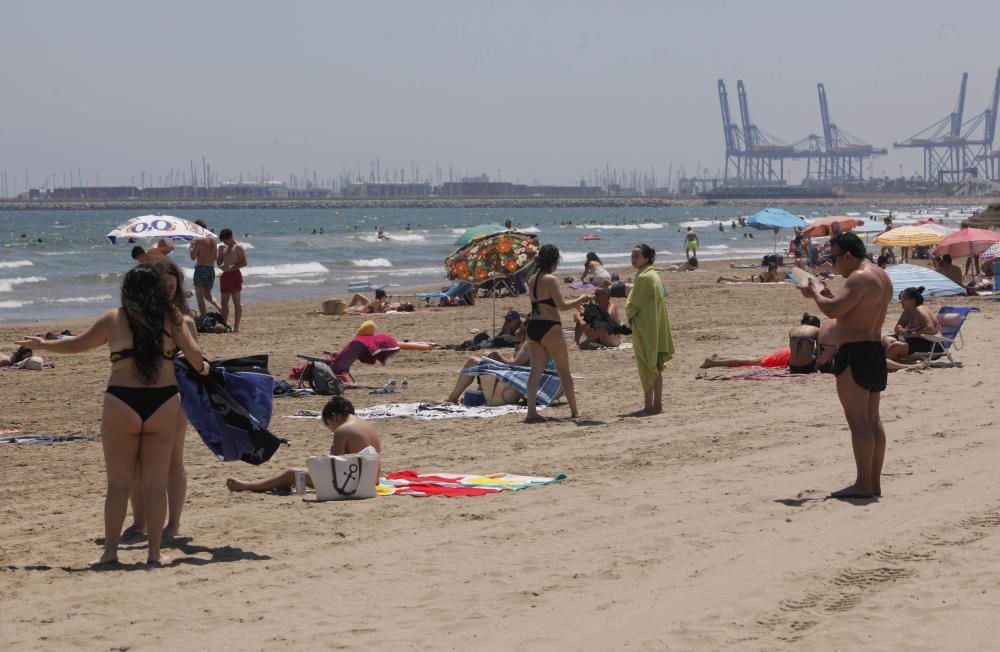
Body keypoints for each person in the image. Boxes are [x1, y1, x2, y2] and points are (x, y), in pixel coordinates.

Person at [16, 264, 208, 565]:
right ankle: (155, 553)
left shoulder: (114, 319)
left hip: (122, 401)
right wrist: (204, 369)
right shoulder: (173, 318)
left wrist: (42, 345)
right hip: (163, 401)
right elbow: (195, 356)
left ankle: (110, 552)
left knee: (118, 485)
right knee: (156, 484)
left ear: (126, 291)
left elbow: (75, 345)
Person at [799, 232, 892, 499]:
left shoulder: (859, 277)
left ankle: (863, 484)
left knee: (858, 420)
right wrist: (825, 294)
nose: (833, 264)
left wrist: (816, 292)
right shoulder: (880, 276)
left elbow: (832, 311)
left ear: (848, 255)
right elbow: (848, 307)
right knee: (872, 420)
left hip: (856, 353)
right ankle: (872, 483)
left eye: (834, 258)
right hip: (874, 350)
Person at [121, 261, 197, 541]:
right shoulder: (141, 318)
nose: (167, 290)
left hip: (175, 396)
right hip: (140, 395)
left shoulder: (183, 320)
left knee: (173, 461)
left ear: (177, 287)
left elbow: (196, 358)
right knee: (136, 462)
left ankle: (173, 523)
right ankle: (140, 520)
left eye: (171, 285)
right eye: (161, 285)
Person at [226, 397, 381, 493]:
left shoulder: (342, 430)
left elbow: (336, 467)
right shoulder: (368, 425)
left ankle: (248, 486)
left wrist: (332, 451)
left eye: (329, 425)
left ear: (333, 416)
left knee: (292, 473)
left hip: (354, 483)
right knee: (302, 473)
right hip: (372, 480)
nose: (332, 429)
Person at [523, 244, 591, 422]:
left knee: (535, 372)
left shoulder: (532, 279)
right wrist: (581, 299)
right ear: (554, 261)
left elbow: (546, 302)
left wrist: (574, 303)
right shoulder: (551, 279)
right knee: (564, 371)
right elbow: (560, 306)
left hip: (532, 326)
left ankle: (531, 412)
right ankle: (575, 411)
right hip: (550, 326)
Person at [625, 244, 675, 414]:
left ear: (646, 258)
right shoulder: (652, 275)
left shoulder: (644, 277)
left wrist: (628, 312)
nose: (633, 259)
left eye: (636, 256)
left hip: (646, 329)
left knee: (647, 366)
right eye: (632, 256)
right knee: (656, 367)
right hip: (655, 327)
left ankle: (648, 406)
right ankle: (657, 404)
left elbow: (633, 305)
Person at [701, 313, 821, 373]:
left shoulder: (795, 330)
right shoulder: (814, 331)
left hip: (787, 353)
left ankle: (720, 358)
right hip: (788, 357)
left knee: (755, 359)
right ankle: (713, 363)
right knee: (755, 361)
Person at [445, 339, 531, 403]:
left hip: (515, 382)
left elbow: (515, 365)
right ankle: (477, 393)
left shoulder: (530, 343)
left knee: (474, 361)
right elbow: (515, 362)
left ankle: (452, 398)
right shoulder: (531, 343)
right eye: (515, 342)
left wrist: (499, 357)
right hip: (515, 379)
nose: (516, 345)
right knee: (481, 360)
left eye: (518, 342)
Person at [882, 286, 940, 362]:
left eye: (903, 298)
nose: (900, 301)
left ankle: (892, 361)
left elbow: (930, 329)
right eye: (900, 298)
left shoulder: (920, 309)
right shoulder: (907, 310)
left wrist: (909, 334)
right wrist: (900, 329)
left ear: (913, 300)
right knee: (885, 339)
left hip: (932, 344)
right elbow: (898, 326)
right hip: (914, 341)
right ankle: (892, 358)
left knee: (894, 346)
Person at [216, 228, 247, 333]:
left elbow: (244, 263)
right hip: (225, 276)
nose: (224, 242)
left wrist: (231, 268)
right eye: (223, 241)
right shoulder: (223, 248)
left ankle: (236, 327)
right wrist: (219, 254)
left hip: (235, 276)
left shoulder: (237, 247)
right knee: (224, 303)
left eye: (225, 240)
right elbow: (219, 263)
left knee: (236, 302)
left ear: (231, 237)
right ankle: (224, 324)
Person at [189, 220, 222, 315]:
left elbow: (192, 257)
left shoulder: (198, 240)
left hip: (201, 269)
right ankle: (221, 309)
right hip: (211, 269)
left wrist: (191, 247)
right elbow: (215, 257)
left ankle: (204, 318)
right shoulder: (213, 240)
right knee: (208, 295)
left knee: (199, 297)